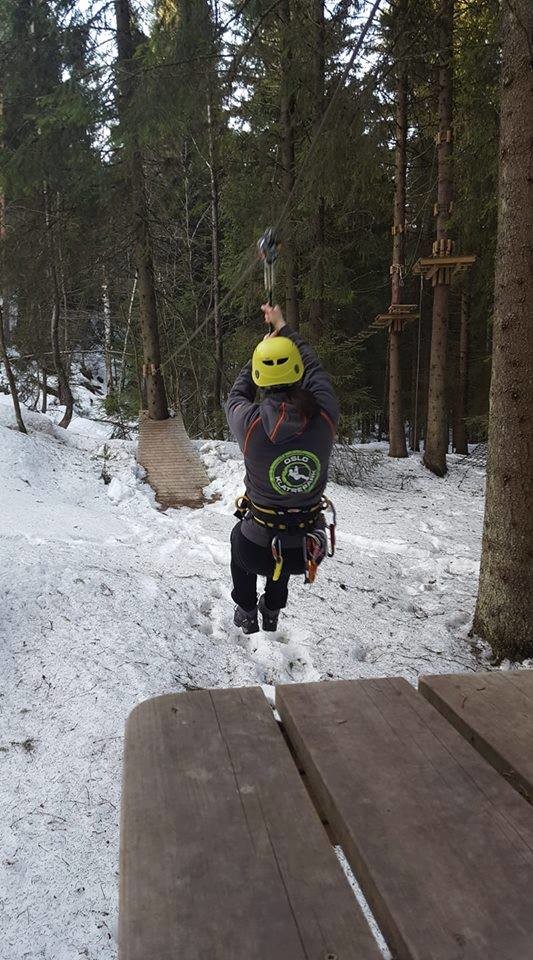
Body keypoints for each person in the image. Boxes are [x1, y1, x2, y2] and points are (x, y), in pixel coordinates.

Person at [225, 303, 339, 634]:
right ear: (298, 372)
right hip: (307, 551)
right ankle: (272, 607)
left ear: (261, 377)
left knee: (239, 538)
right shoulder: (325, 415)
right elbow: (315, 369)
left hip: (257, 549)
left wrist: (260, 352)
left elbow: (237, 392)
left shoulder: (249, 423)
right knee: (287, 543)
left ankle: (246, 608)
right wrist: (283, 328)